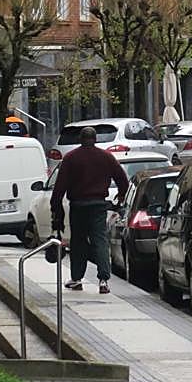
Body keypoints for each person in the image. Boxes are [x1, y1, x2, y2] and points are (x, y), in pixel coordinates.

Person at [50, 126, 129, 294]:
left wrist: (55, 208)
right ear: (95, 139)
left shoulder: (70, 158)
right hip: (98, 205)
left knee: (78, 242)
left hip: (78, 205)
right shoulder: (106, 157)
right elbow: (123, 180)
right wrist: (121, 196)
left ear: (80, 139)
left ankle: (77, 279)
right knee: (100, 240)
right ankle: (103, 280)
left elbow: (59, 187)